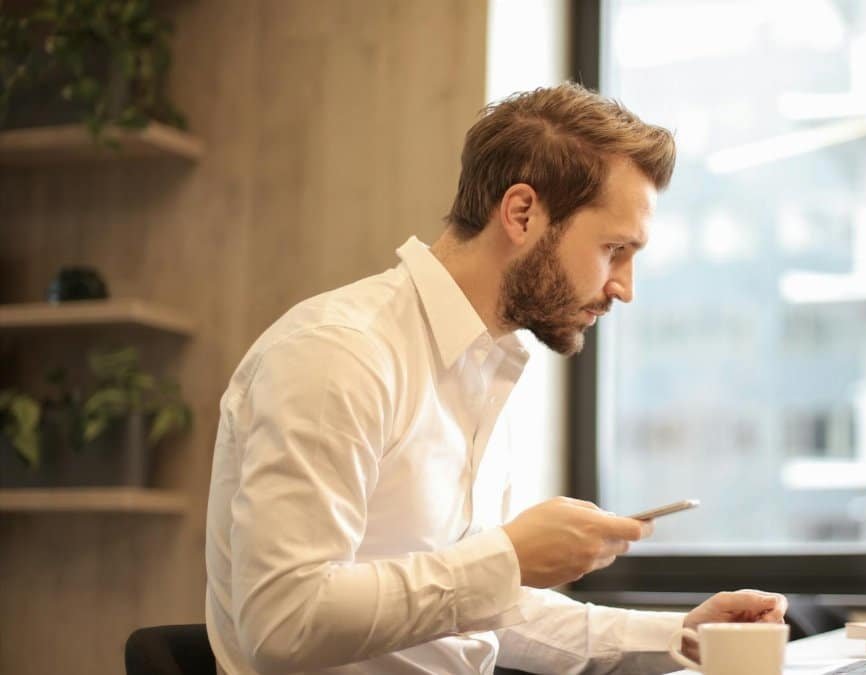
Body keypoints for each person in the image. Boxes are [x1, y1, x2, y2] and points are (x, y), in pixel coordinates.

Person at [205, 82, 787, 675]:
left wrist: (680, 636)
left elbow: (470, 610)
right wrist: (506, 558)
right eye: (614, 249)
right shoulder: (339, 354)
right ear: (521, 213)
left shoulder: (483, 368)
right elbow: (282, 623)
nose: (624, 288)